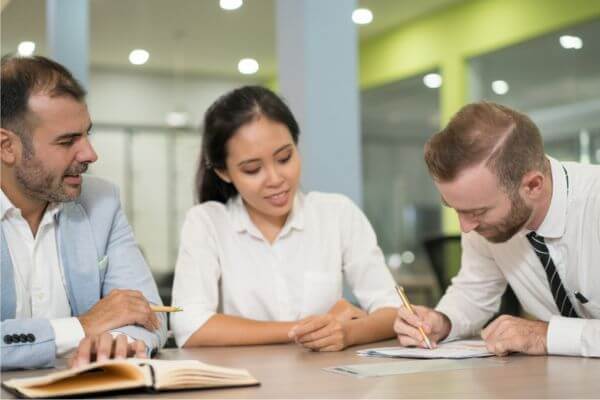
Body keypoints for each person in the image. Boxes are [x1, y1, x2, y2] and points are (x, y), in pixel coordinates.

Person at [171, 86, 400, 351]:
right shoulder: (207, 223)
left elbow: (393, 309)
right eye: (253, 169)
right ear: (224, 172)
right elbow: (191, 327)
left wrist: (347, 332)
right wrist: (306, 329)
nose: (276, 179)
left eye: (284, 158)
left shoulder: (337, 213)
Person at [393, 101, 600, 357]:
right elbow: (474, 290)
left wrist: (546, 336)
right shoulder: (485, 222)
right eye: (454, 208)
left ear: (533, 185)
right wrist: (442, 321)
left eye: (477, 212)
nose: (465, 227)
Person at [0, 56, 167, 371]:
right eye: (67, 141)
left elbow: (151, 311)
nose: (90, 154)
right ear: (6, 146)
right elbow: (95, 322)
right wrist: (83, 327)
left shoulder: (101, 200)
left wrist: (117, 342)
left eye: (87, 134)